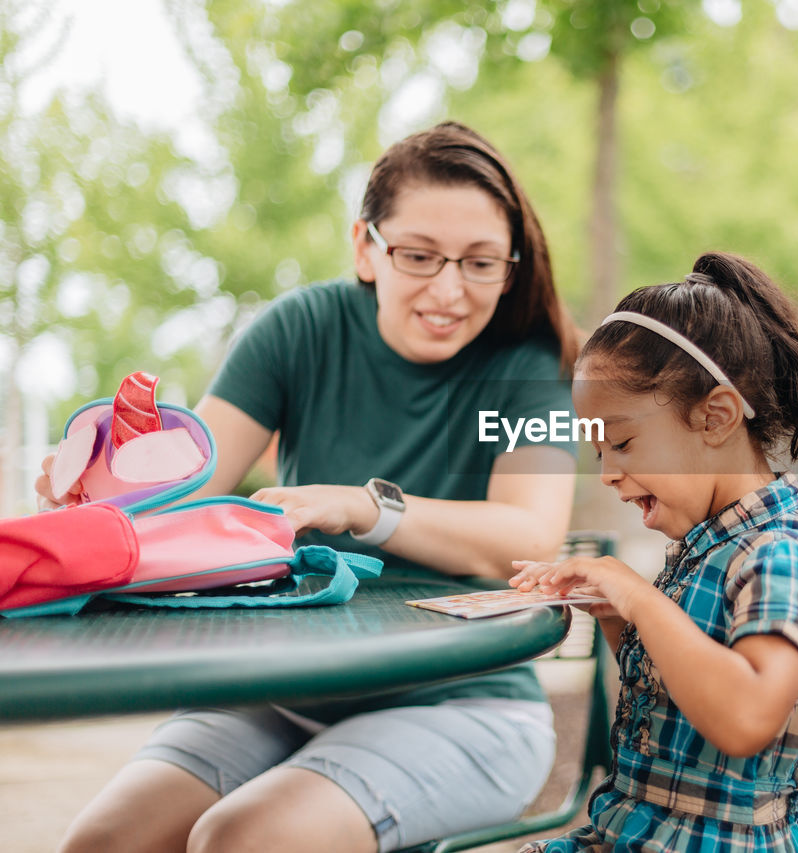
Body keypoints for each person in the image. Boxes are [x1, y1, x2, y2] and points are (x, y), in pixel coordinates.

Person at [38, 122, 580, 853]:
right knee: (102, 843)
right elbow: (185, 490)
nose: (450, 288)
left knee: (243, 838)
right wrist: (97, 496)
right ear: (365, 246)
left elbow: (528, 535)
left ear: (511, 269)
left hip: (469, 702)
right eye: (419, 255)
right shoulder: (298, 329)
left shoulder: (525, 363)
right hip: (281, 693)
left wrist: (366, 507)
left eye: (482, 263)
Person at [509, 252, 798, 852]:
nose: (608, 473)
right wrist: (616, 616)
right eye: (598, 452)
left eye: (621, 442)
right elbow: (679, 698)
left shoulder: (780, 556)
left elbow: (745, 718)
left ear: (715, 417)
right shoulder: (706, 547)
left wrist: (641, 599)